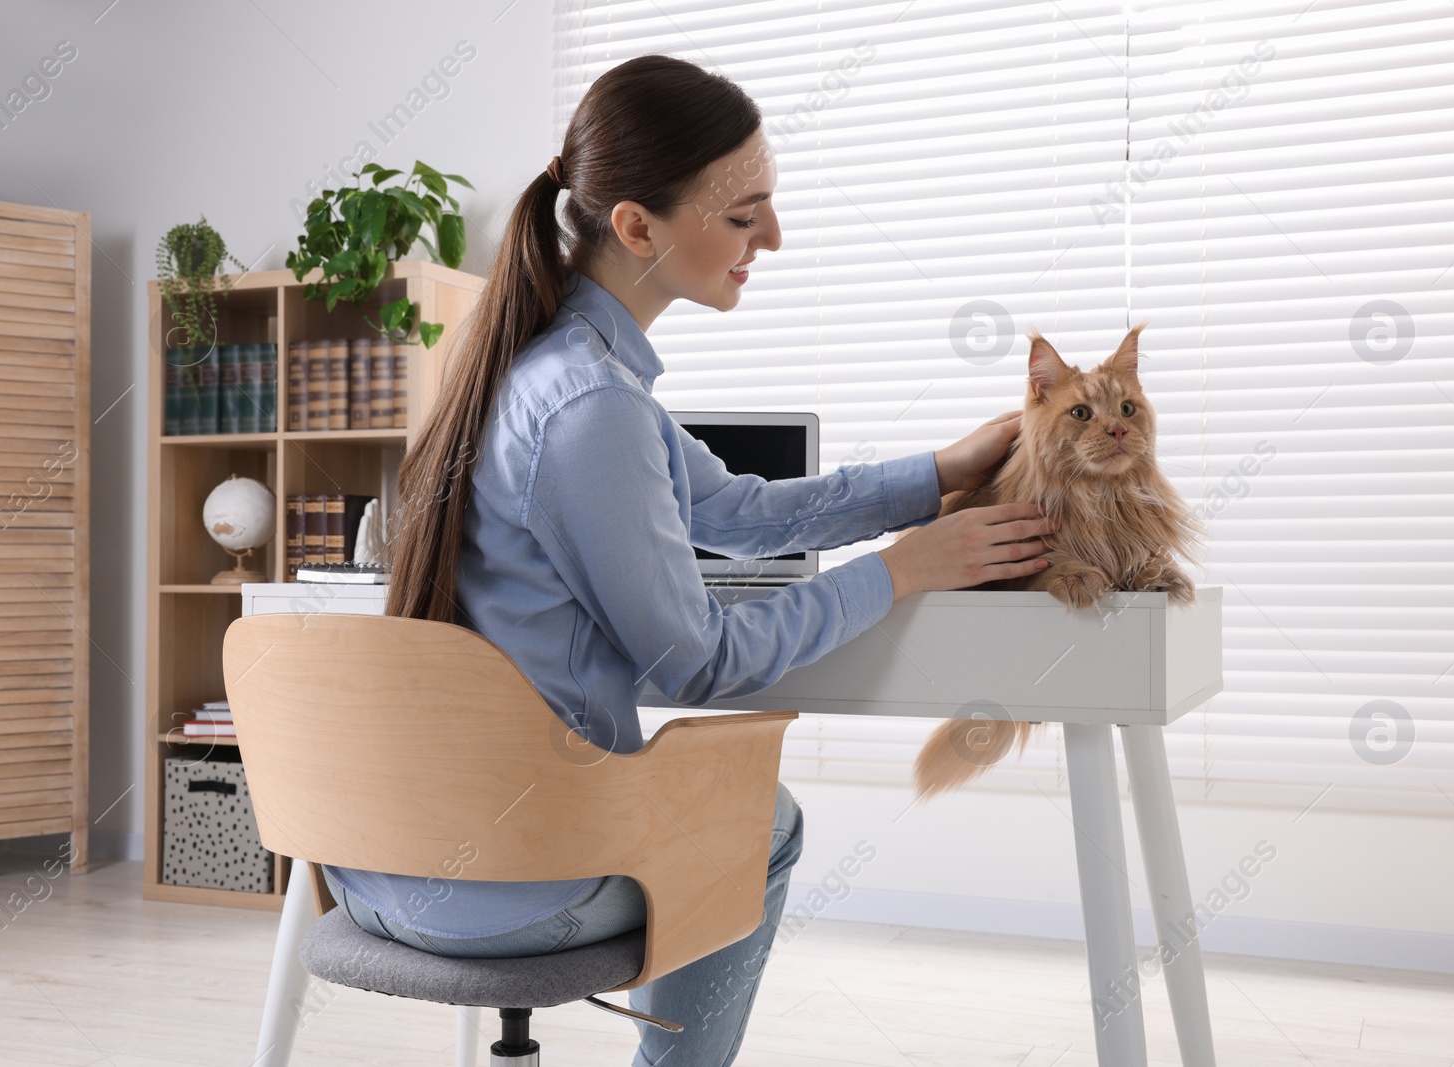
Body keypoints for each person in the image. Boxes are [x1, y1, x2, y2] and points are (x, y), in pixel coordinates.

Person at [320, 53, 1057, 1067]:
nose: (775, 238)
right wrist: (902, 570)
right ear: (637, 227)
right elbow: (696, 663)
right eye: (746, 214)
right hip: (520, 876)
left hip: (375, 863)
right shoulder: (593, 408)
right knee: (762, 817)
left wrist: (934, 474)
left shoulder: (549, 371)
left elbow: (740, 514)